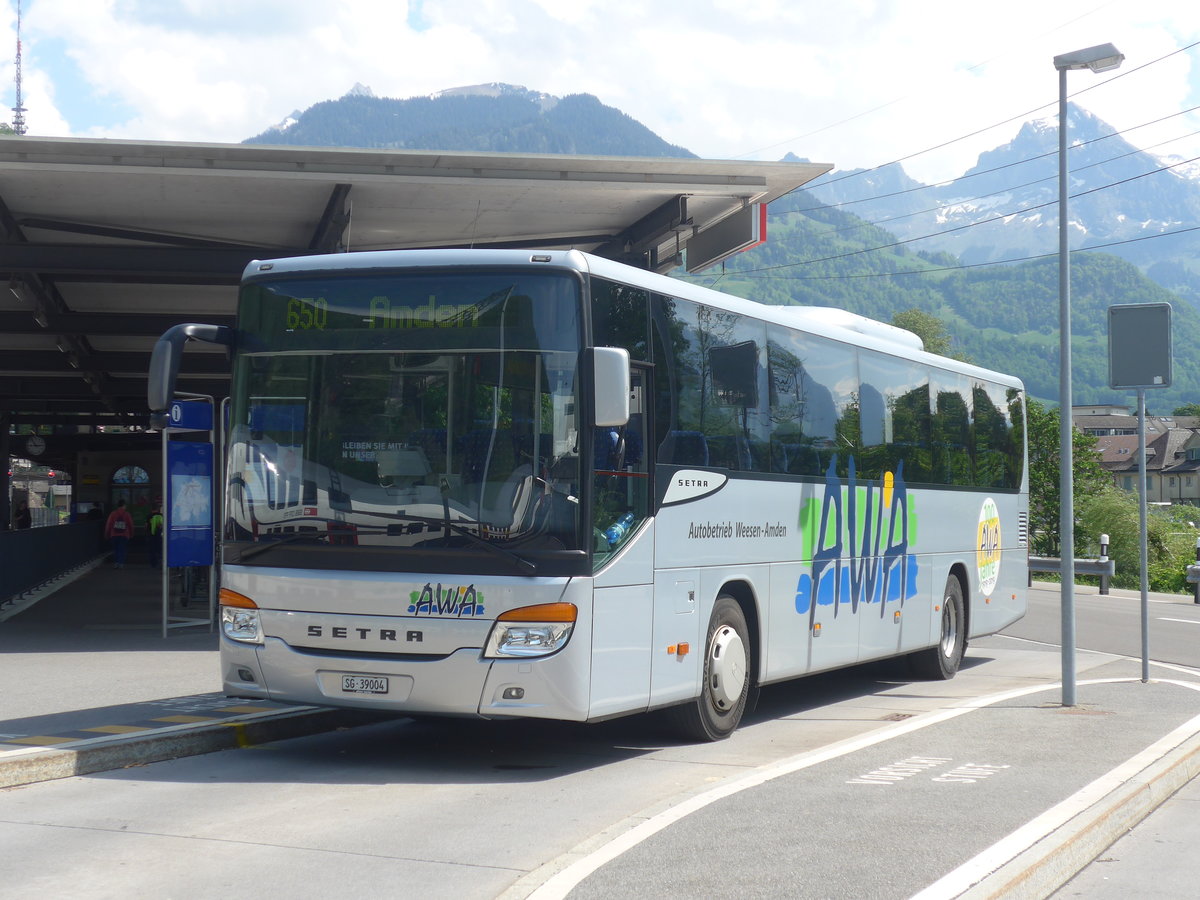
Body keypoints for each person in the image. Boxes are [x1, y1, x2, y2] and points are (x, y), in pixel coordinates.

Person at [104, 499, 134, 568]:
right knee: (122, 549)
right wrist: (131, 534)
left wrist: (106, 534)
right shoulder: (127, 514)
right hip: (124, 535)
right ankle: (121, 563)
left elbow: (108, 524)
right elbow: (130, 525)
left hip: (114, 534)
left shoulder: (113, 513)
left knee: (115, 549)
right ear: (124, 505)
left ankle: (116, 563)